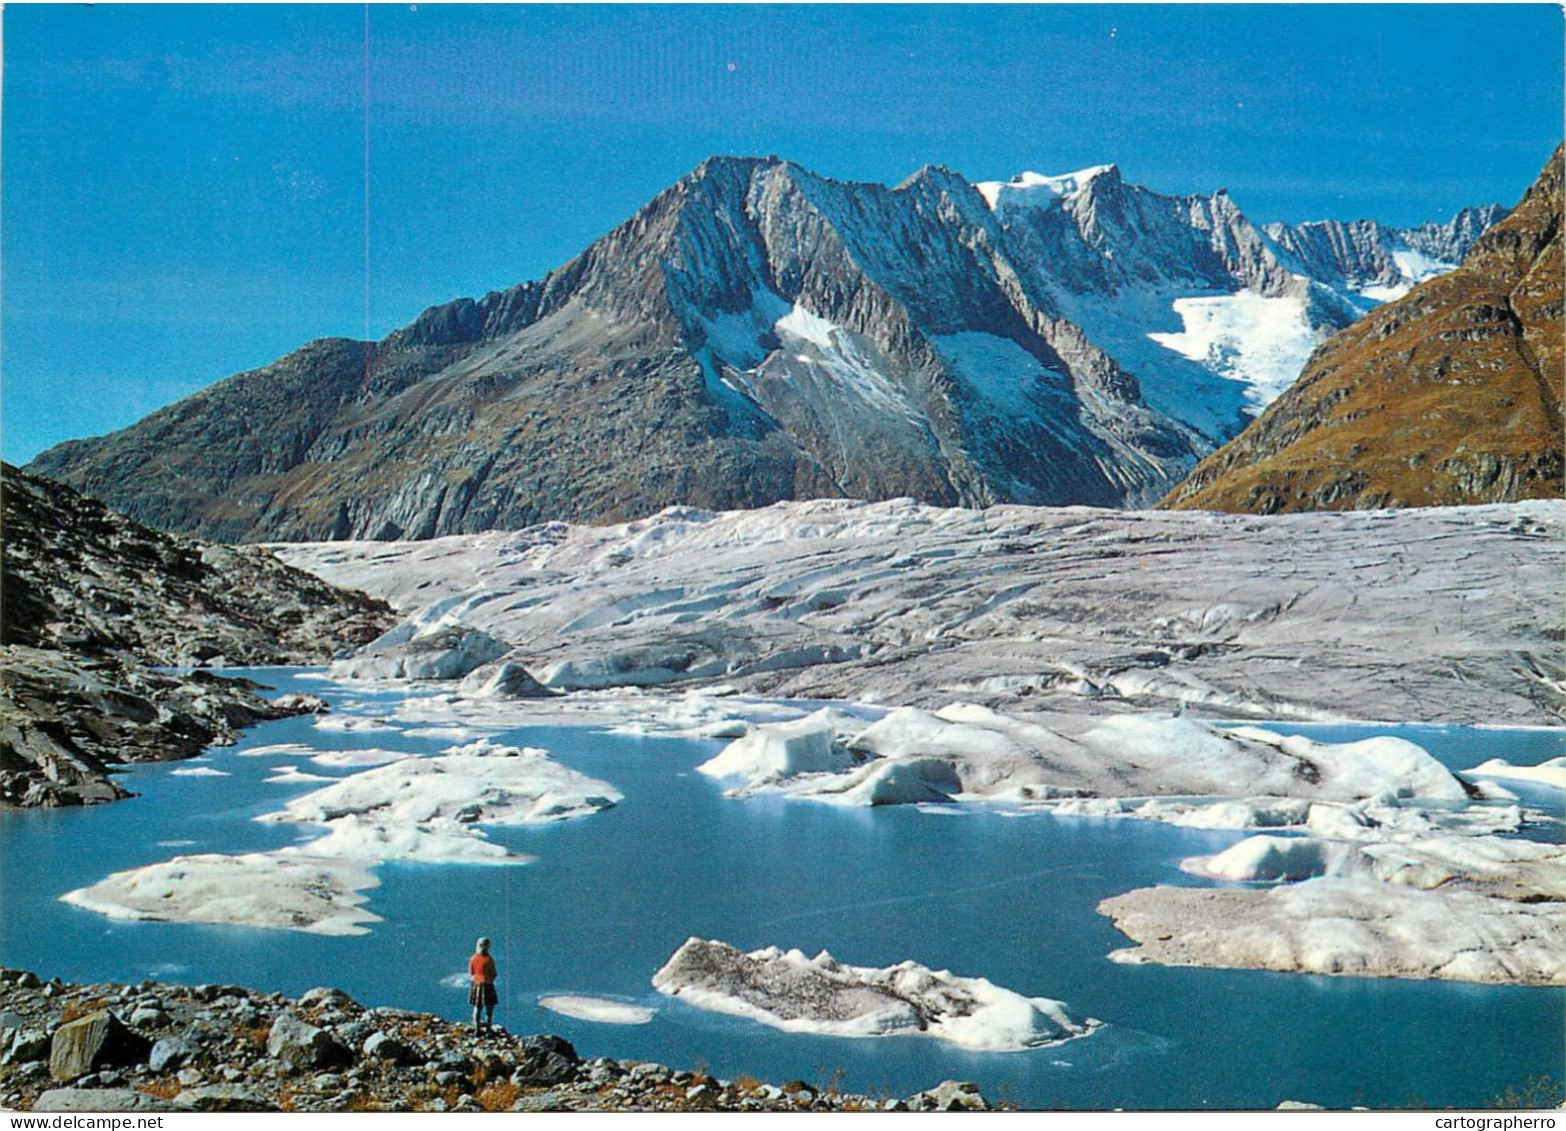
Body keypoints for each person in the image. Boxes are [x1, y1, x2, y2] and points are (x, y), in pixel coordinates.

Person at [469, 936, 497, 1033]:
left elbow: (471, 972)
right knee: (489, 1008)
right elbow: (493, 973)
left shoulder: (473, 958)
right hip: (487, 984)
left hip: (476, 984)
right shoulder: (489, 960)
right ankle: (488, 1029)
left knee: (477, 1007)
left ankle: (477, 1029)